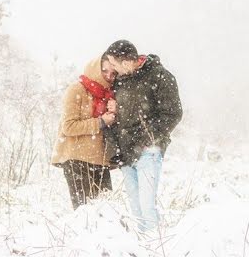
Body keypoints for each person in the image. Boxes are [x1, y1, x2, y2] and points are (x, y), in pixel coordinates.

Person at [103, 40, 182, 233]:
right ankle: (143, 249)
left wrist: (148, 137)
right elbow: (124, 115)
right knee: (136, 208)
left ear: (127, 62)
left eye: (114, 64)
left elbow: (173, 113)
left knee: (147, 206)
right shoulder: (121, 81)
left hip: (149, 151)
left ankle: (156, 249)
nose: (112, 69)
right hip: (127, 151)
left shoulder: (160, 76)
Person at [50, 56, 118, 209]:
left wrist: (116, 113)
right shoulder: (76, 90)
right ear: (95, 69)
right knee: (85, 214)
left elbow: (112, 130)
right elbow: (68, 127)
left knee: (108, 212)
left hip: (100, 160)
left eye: (113, 73)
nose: (108, 76)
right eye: (104, 70)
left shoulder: (110, 96)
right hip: (77, 160)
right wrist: (100, 122)